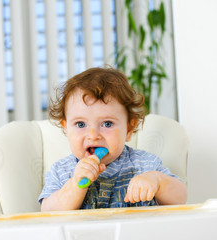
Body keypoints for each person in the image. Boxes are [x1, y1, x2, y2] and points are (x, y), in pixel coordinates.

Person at [39, 67, 187, 211]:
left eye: (107, 124)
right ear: (66, 128)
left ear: (128, 129)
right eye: (80, 124)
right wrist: (75, 186)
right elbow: (47, 211)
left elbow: (181, 198)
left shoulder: (145, 165)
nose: (93, 135)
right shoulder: (62, 171)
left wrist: (158, 181)